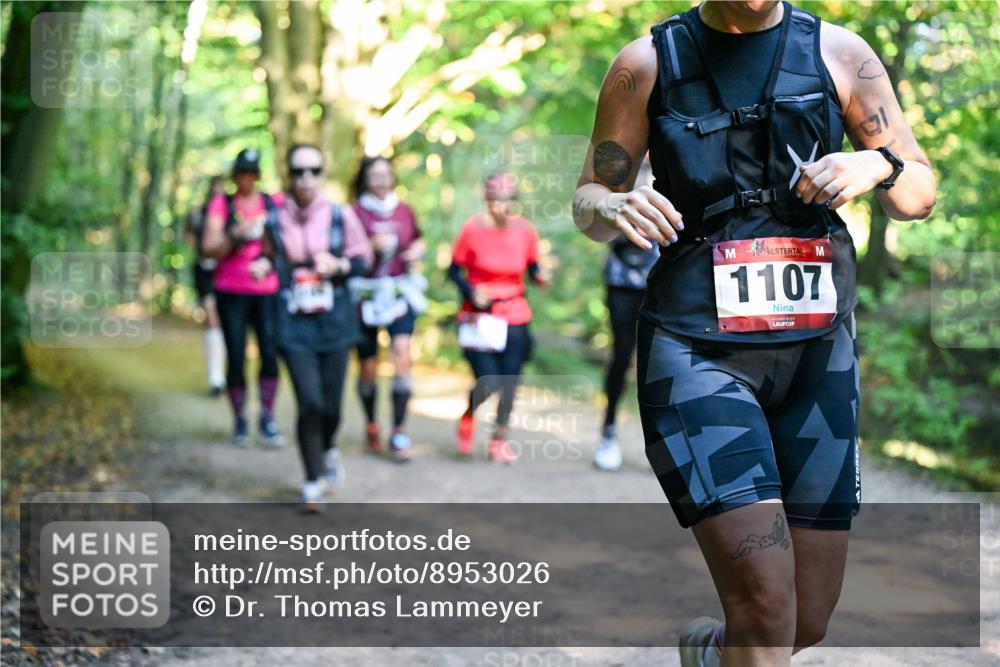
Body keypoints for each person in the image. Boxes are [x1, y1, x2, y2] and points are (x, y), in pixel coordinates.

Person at [573, 2, 935, 666]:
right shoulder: (646, 64)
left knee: (806, 619)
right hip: (696, 352)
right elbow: (588, 200)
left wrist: (878, 165)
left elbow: (920, 191)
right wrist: (614, 202)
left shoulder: (841, 54)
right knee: (766, 611)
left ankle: (712, 654)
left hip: (815, 355)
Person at [259, 143, 372, 513]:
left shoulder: (341, 216)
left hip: (335, 321)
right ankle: (311, 482)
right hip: (293, 321)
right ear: (288, 176)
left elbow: (362, 260)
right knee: (309, 401)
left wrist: (338, 266)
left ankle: (327, 449)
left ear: (323, 174)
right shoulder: (274, 218)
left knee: (332, 408)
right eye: (298, 171)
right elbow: (266, 253)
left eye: (313, 170)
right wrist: (262, 265)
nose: (306, 178)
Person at [449, 172, 551, 463]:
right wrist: (471, 292)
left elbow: (533, 269)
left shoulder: (526, 231)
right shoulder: (472, 230)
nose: (499, 205)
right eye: (494, 199)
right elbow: (453, 271)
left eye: (505, 199)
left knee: (510, 380)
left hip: (515, 314)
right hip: (479, 316)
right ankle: (469, 415)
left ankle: (499, 438)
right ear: (486, 199)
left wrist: (543, 276)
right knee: (489, 380)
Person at [201, 148, 285, 448]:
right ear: (235, 175)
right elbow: (208, 247)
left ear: (258, 175)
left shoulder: (273, 204)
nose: (247, 179)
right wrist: (236, 234)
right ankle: (239, 420)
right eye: (242, 173)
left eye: (252, 173)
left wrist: (269, 260)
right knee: (236, 355)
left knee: (270, 354)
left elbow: (287, 244)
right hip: (231, 290)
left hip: (267, 292)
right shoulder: (222, 204)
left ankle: (267, 417)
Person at [349, 156, 427, 462]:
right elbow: (346, 252)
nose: (382, 181)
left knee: (402, 354)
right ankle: (371, 424)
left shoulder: (405, 210)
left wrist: (418, 250)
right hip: (365, 297)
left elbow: (418, 239)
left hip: (399, 292)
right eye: (375, 175)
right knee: (368, 367)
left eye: (386, 175)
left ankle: (398, 430)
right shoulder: (354, 213)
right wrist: (371, 248)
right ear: (365, 180)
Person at [595, 156, 659, 472]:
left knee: (660, 361)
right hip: (622, 279)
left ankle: (662, 444)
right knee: (621, 355)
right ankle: (608, 430)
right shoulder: (619, 171)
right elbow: (596, 220)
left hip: (663, 276)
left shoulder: (678, 160)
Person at [185, 175, 227, 396]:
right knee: (212, 317)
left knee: (225, 322)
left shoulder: (232, 212)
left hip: (227, 273)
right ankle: (216, 377)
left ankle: (226, 373)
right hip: (204, 270)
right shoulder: (197, 214)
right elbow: (189, 237)